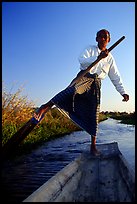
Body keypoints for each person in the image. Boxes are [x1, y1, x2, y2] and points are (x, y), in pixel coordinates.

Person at [33, 29, 129, 156]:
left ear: (109, 40)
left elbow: (115, 76)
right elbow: (82, 60)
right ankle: (44, 108)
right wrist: (98, 58)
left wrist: (123, 92)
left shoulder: (110, 58)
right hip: (84, 76)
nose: (103, 39)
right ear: (96, 39)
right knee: (70, 91)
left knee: (93, 111)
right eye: (100, 36)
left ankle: (93, 146)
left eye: (105, 37)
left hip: (96, 83)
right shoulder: (90, 49)